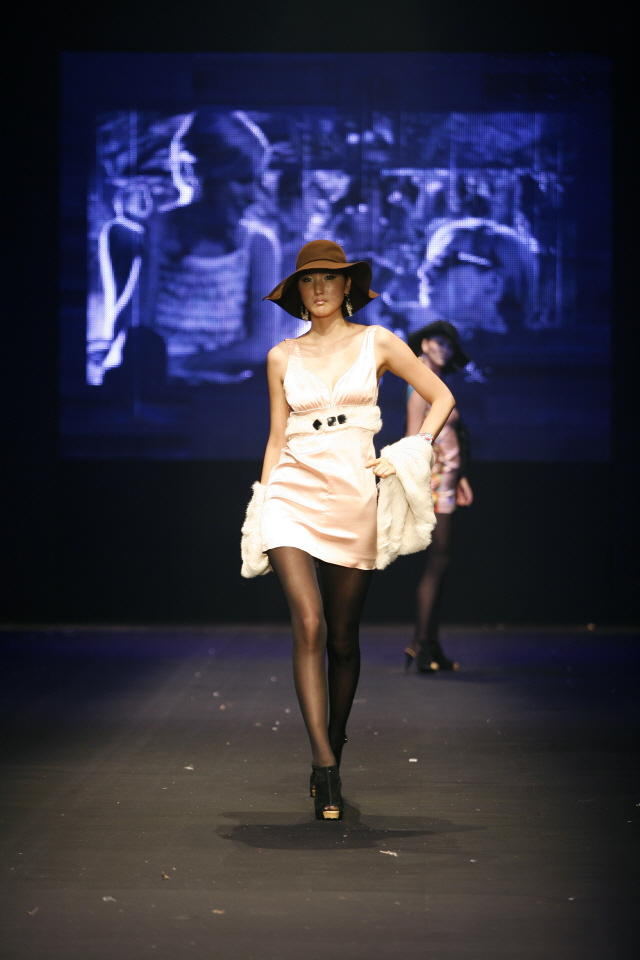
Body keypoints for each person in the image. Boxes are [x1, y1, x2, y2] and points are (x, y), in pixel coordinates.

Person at [240, 240, 455, 820]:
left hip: (355, 490)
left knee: (341, 638)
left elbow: (440, 396)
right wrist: (263, 502)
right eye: (308, 279)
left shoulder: (377, 341)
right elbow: (276, 437)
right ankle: (324, 766)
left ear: (347, 287)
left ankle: (334, 741)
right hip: (292, 489)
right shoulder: (281, 356)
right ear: (297, 292)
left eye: (329, 278)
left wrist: (412, 449)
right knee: (308, 623)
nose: (318, 288)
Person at [403, 320, 474, 674]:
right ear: (425, 345)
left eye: (449, 345)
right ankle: (422, 644)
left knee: (441, 562)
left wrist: (459, 478)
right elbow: (413, 437)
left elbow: (447, 438)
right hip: (432, 484)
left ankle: (428, 643)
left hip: (445, 482)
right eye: (439, 342)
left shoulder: (434, 383)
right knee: (438, 561)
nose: (445, 349)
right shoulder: (420, 386)